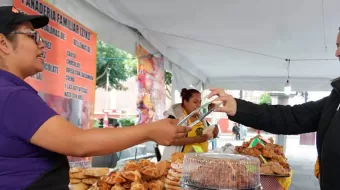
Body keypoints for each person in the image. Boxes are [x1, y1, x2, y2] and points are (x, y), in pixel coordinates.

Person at [0, 6, 190, 190]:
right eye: (32, 36)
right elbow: (77, 142)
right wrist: (149, 131)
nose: (41, 43)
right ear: (2, 44)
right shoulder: (11, 95)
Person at [207, 45, 340, 190]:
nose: (337, 53)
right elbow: (291, 116)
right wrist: (238, 108)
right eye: (337, 45)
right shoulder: (336, 98)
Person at [161, 88, 219, 160]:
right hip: (180, 162)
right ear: (185, 102)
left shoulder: (200, 116)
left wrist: (214, 133)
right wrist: (198, 139)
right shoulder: (174, 116)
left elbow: (208, 134)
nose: (198, 105)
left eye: (200, 102)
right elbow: (171, 140)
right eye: (195, 102)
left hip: (199, 160)